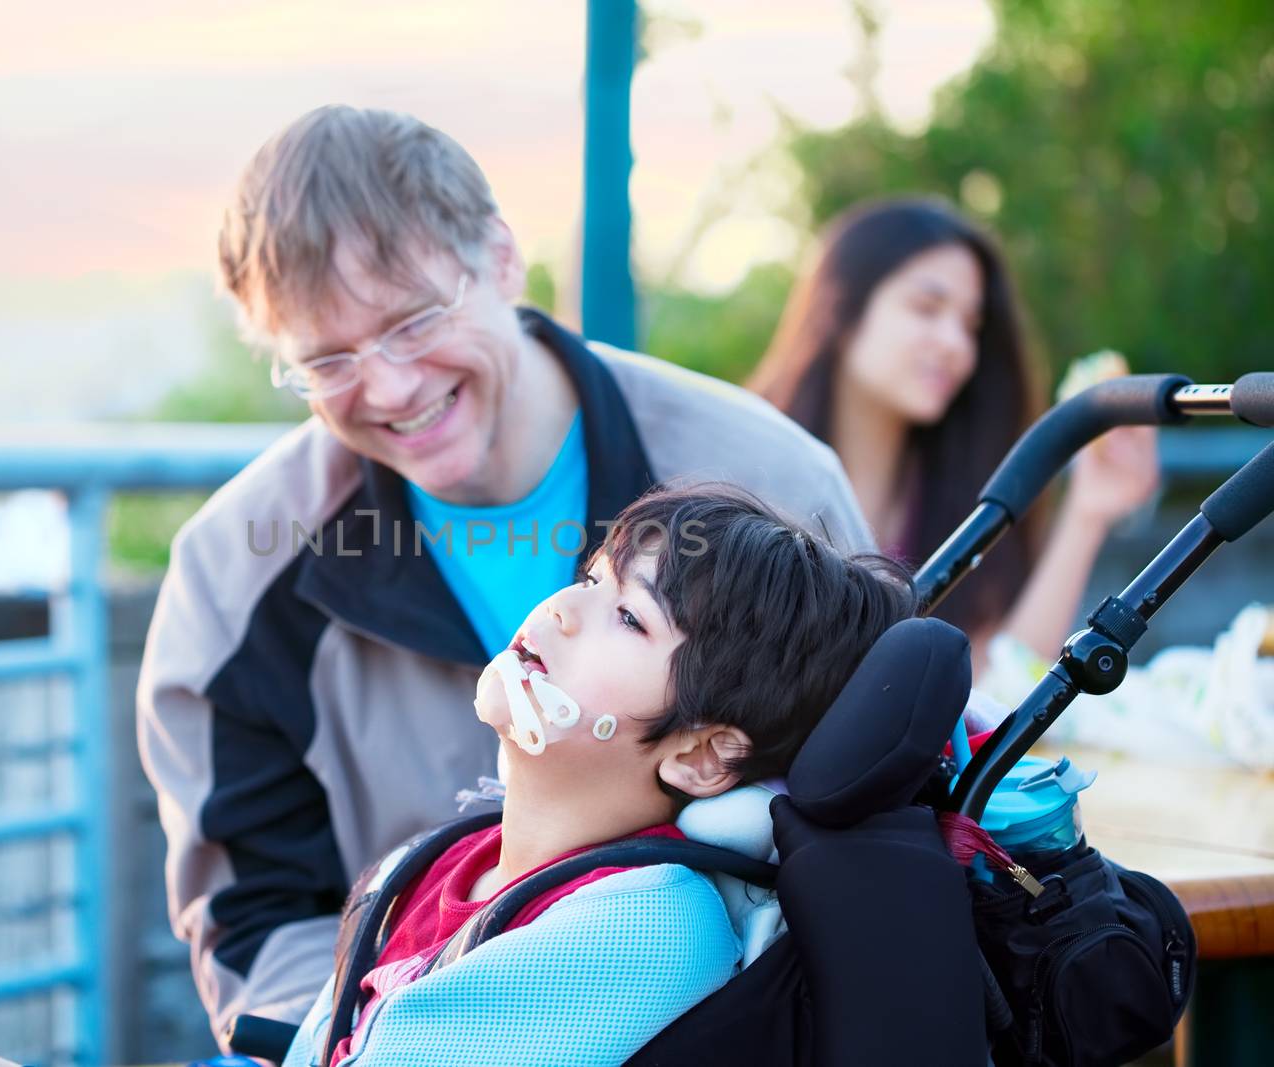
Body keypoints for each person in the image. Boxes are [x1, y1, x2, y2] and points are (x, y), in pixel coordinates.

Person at [134, 104, 877, 1046]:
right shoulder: (234, 569)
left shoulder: (774, 479)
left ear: (499, 260)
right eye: (327, 360)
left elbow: (868, 803)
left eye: (414, 321)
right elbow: (256, 909)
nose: (392, 388)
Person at [0, 483, 917, 1067]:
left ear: (698, 750)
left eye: (627, 617)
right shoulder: (448, 861)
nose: (560, 608)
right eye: (588, 578)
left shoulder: (644, 925)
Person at [748, 197, 1159, 667]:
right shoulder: (745, 471)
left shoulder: (957, 494)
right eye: (927, 308)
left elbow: (996, 684)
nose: (957, 345)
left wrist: (1088, 514)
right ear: (841, 308)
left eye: (970, 325)